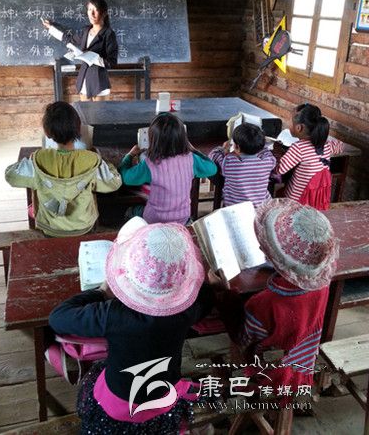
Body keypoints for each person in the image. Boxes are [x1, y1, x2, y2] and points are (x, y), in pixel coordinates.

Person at [49, 220, 215, 434]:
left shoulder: (113, 314)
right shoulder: (187, 310)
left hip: (119, 402)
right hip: (163, 398)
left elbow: (58, 317)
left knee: (100, 370)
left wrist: (101, 292)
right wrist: (210, 285)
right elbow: (207, 297)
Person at [218, 198, 339, 405]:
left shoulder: (263, 303)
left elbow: (241, 339)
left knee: (235, 346)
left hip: (268, 380)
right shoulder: (322, 286)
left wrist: (226, 297)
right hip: (301, 369)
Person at [5, 101, 122, 237]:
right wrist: (102, 160)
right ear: (79, 130)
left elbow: (10, 175)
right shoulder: (91, 160)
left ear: (47, 132)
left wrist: (31, 159)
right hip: (84, 226)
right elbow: (114, 182)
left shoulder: (39, 159)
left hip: (49, 227)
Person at [118, 112, 218, 224]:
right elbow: (212, 169)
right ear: (183, 139)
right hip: (182, 219)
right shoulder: (191, 159)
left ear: (153, 140)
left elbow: (127, 178)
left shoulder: (150, 164)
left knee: (132, 211)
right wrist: (194, 150)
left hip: (155, 220)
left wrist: (129, 156)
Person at [41, 0, 118, 101]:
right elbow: (69, 40)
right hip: (84, 80)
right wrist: (51, 28)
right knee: (84, 111)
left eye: (95, 10)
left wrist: (92, 57)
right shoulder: (86, 31)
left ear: (104, 13)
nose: (92, 14)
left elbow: (111, 62)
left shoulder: (109, 34)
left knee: (99, 112)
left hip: (99, 83)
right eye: (89, 9)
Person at [276, 103, 344, 210]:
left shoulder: (298, 148)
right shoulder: (327, 145)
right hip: (317, 201)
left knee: (279, 193)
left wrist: (277, 153)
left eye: (291, 121)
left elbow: (280, 169)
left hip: (297, 202)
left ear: (299, 128)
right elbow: (340, 146)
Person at [209, 123, 276, 208]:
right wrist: (260, 145)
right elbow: (268, 153)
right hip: (259, 208)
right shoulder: (268, 162)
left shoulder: (230, 163)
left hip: (234, 208)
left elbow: (213, 155)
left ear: (237, 147)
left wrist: (223, 149)